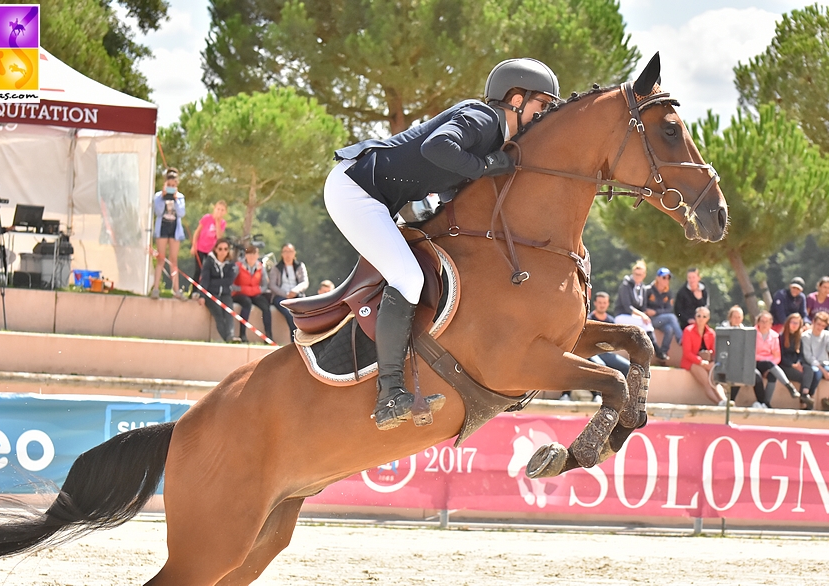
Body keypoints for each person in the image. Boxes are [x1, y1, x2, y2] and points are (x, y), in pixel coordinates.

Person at [324, 58, 560, 430]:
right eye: (542, 105)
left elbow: (451, 186)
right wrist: (486, 166)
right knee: (408, 277)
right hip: (356, 190)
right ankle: (389, 396)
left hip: (377, 198)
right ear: (515, 98)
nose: (544, 115)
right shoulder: (483, 118)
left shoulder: (493, 136)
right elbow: (438, 147)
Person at [560, 291, 629, 403]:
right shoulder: (589, 319)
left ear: (608, 304)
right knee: (600, 365)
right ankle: (598, 395)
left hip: (606, 353)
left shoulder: (611, 321)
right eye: (600, 302)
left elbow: (615, 342)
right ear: (595, 303)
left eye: (604, 302)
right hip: (590, 352)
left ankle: (622, 399)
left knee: (627, 366)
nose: (602, 305)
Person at [614, 260, 662, 361]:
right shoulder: (625, 285)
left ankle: (647, 351)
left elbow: (643, 307)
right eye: (636, 274)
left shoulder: (642, 288)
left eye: (640, 274)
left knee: (645, 323)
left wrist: (644, 315)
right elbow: (627, 307)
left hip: (633, 317)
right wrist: (643, 316)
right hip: (622, 315)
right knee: (644, 323)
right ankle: (655, 349)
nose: (637, 276)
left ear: (644, 275)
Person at [724, 306, 770, 409]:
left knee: (756, 375)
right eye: (734, 317)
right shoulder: (724, 330)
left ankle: (761, 403)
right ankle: (730, 402)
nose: (737, 319)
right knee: (736, 374)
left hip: (743, 363)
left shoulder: (745, 331)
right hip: (728, 363)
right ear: (730, 318)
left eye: (739, 317)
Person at [151, 168, 186, 299]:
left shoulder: (180, 197)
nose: (171, 187)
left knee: (173, 260)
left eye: (173, 185)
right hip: (163, 227)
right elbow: (158, 212)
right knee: (161, 258)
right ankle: (155, 288)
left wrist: (175, 199)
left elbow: (181, 213)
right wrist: (164, 197)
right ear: (165, 184)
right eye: (169, 185)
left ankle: (176, 290)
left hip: (175, 228)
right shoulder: (158, 196)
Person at [680, 307, 728, 406]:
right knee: (707, 381)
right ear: (695, 317)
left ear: (708, 318)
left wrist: (712, 362)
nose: (701, 318)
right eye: (699, 316)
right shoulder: (688, 331)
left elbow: (715, 352)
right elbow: (687, 353)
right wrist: (701, 362)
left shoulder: (711, 333)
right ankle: (720, 403)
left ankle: (724, 401)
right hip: (692, 362)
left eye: (704, 316)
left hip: (707, 363)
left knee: (715, 380)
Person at [754, 311, 800, 408]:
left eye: (767, 322)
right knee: (768, 364)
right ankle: (788, 385)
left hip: (769, 365)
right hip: (754, 363)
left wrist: (769, 367)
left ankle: (766, 403)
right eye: (762, 321)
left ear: (771, 324)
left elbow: (777, 356)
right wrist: (766, 361)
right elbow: (751, 354)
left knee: (772, 374)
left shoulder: (774, 336)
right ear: (758, 322)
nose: (764, 324)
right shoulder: (752, 333)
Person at [198, 238, 239, 343]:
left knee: (229, 313)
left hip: (225, 293)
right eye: (220, 249)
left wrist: (213, 281)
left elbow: (229, 280)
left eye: (225, 249)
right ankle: (227, 339)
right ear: (215, 249)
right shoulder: (209, 262)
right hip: (211, 294)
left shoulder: (231, 263)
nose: (223, 252)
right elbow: (205, 279)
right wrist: (202, 296)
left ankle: (231, 335)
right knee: (218, 314)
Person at [232, 245, 273, 343]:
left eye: (254, 254)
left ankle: (269, 335)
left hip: (255, 293)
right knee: (247, 303)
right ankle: (242, 334)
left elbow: (264, 285)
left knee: (265, 306)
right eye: (249, 253)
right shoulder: (238, 266)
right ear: (246, 255)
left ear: (257, 255)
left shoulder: (260, 267)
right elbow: (231, 284)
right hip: (239, 293)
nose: (251, 256)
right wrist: (242, 289)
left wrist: (254, 290)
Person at [269, 243, 309, 338]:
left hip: (296, 295)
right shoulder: (276, 268)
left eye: (290, 251)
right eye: (285, 251)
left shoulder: (300, 266)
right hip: (281, 297)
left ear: (294, 253)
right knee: (289, 313)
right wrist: (285, 294)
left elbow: (304, 282)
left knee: (304, 313)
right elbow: (272, 285)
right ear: (282, 254)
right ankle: (294, 338)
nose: (288, 254)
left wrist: (295, 291)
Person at [778, 313, 816, 410]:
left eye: (797, 323)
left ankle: (804, 394)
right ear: (788, 323)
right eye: (792, 322)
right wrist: (792, 365)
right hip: (785, 365)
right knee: (804, 377)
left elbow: (800, 354)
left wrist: (798, 363)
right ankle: (804, 400)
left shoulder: (799, 337)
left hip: (796, 363)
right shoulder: (781, 337)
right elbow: (780, 356)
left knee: (809, 370)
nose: (794, 325)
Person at [190, 200, 227, 297]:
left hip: (211, 250)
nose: (219, 211)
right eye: (218, 209)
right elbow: (197, 232)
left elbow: (219, 237)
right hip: (201, 247)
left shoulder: (222, 223)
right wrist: (194, 245)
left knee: (208, 271)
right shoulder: (207, 218)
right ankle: (193, 291)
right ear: (214, 209)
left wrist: (218, 223)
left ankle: (205, 291)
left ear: (225, 212)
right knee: (198, 270)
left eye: (222, 210)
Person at [645, 267, 683, 363]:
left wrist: (656, 312)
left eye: (668, 278)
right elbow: (643, 306)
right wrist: (648, 312)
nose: (666, 280)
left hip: (660, 319)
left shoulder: (668, 293)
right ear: (657, 278)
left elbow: (669, 309)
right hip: (649, 320)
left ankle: (663, 353)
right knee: (672, 317)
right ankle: (681, 339)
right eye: (664, 277)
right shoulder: (648, 290)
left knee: (669, 329)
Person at [802, 310, 829, 401]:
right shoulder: (806, 336)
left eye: (823, 326)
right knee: (817, 374)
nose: (820, 327)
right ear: (813, 322)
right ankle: (809, 397)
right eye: (818, 324)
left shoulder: (827, 335)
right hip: (812, 364)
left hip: (825, 363)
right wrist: (823, 371)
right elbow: (808, 356)